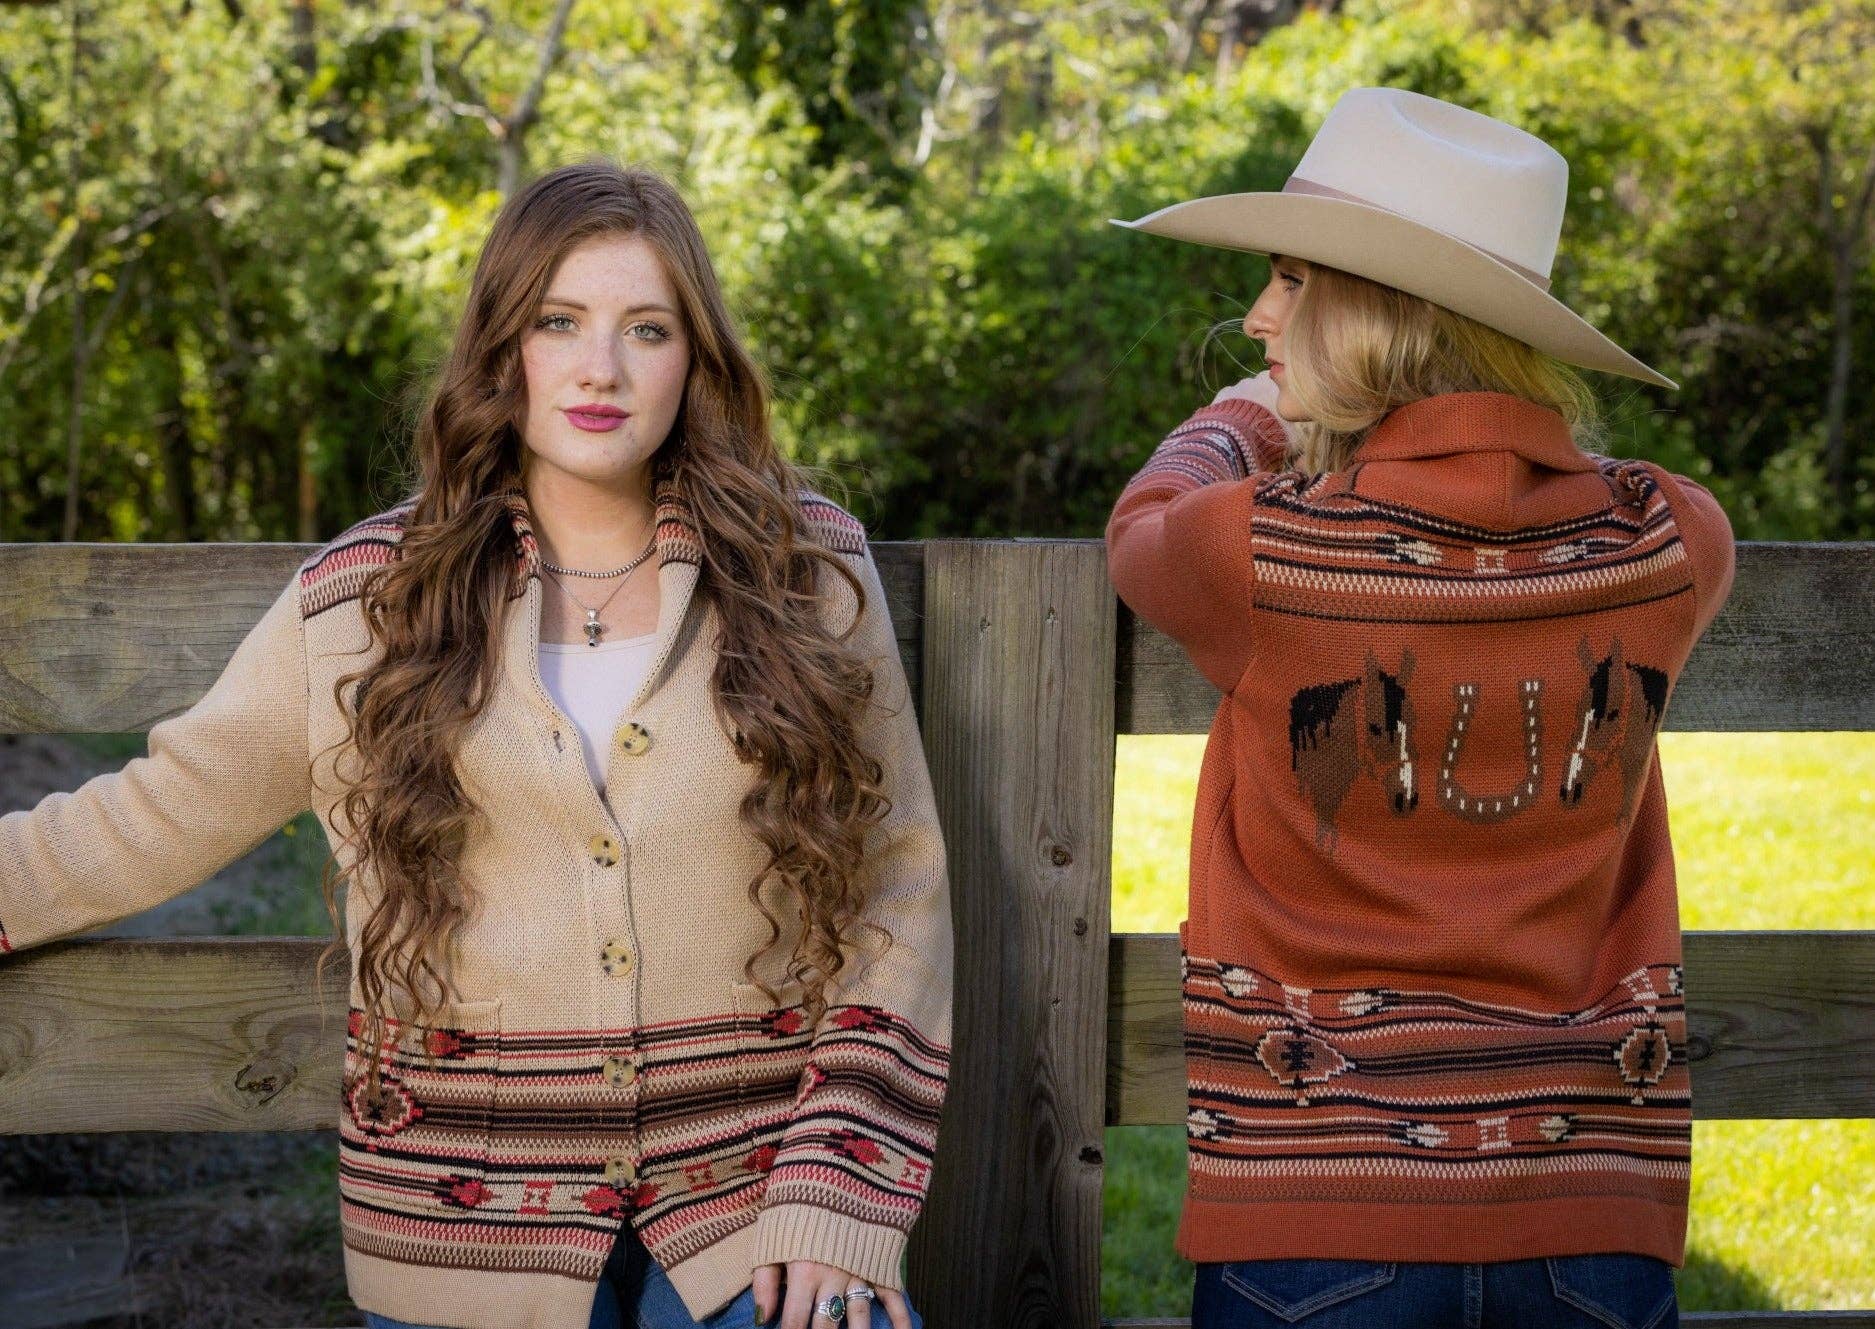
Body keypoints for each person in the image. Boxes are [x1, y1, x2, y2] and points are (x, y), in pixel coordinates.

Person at [0, 160, 949, 1329]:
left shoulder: (806, 569)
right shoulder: (366, 600)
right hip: (461, 1227)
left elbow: (899, 884)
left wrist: (836, 1193)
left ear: (695, 359)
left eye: (646, 329)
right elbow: (158, 811)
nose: (600, 369)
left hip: (763, 1215)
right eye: (559, 322)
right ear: (504, 345)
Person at [1105, 86, 1735, 1329]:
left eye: (1293, 280)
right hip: (1592, 1222)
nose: (1258, 316)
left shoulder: (1259, 548)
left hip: (1314, 1211)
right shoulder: (1670, 537)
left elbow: (1140, 529)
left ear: (1382, 312)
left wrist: (1242, 419)